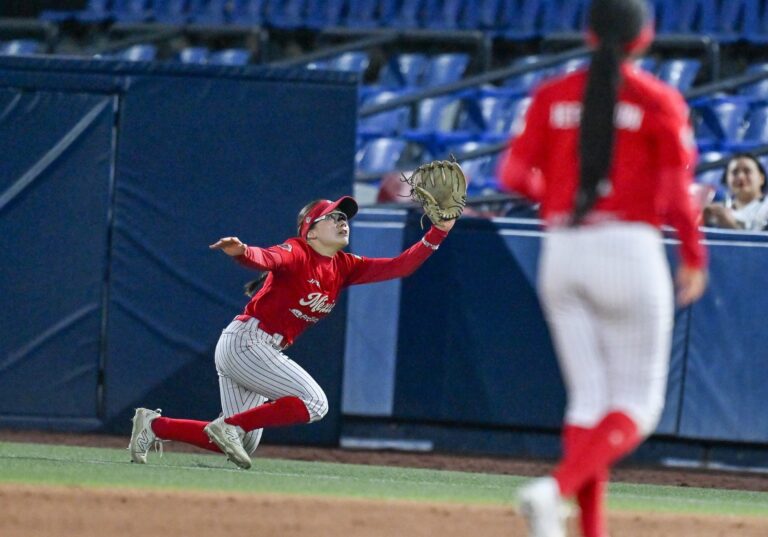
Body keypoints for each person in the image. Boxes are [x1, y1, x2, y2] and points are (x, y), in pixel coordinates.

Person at [497, 1, 708, 536]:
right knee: (637, 405)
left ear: (589, 35)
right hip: (629, 250)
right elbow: (676, 193)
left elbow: (514, 174)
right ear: (645, 37)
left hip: (564, 249)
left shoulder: (551, 95)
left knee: (590, 400)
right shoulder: (657, 98)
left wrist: (561, 201)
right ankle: (554, 491)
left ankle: (584, 529)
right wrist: (692, 254)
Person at [128, 196, 455, 469]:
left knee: (240, 441)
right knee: (315, 403)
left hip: (255, 349)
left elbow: (401, 266)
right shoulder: (298, 250)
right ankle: (225, 425)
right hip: (247, 342)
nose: (343, 221)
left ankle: (154, 425)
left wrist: (439, 230)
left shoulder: (345, 266)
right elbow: (268, 257)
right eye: (333, 217)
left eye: (345, 217)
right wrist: (243, 252)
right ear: (310, 232)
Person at [703, 153, 768, 231]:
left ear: (761, 178)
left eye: (747, 171)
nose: (740, 177)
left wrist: (731, 227)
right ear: (726, 180)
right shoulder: (717, 212)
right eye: (734, 172)